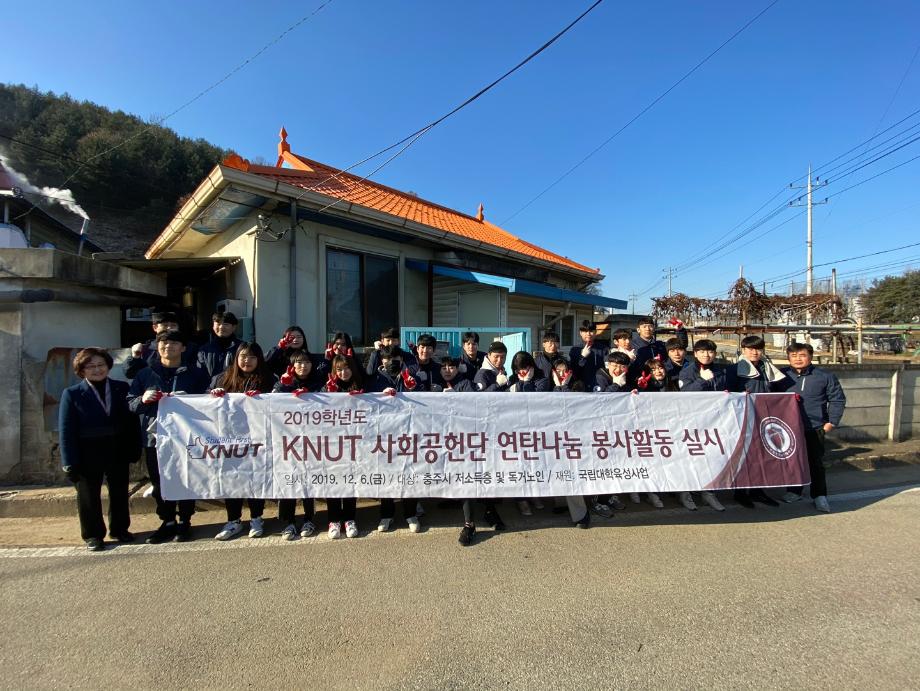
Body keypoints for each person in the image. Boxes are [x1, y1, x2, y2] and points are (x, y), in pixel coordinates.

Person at [128, 331, 210, 543]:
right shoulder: (145, 374)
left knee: (187, 478)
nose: (169, 347)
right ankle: (167, 521)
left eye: (175, 343)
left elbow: (209, 402)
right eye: (164, 343)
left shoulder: (196, 374)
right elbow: (130, 404)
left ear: (183, 348)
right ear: (157, 346)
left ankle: (185, 521)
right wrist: (142, 400)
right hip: (154, 438)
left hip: (186, 438)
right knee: (159, 481)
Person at [59, 348, 141, 551]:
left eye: (101, 365)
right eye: (91, 366)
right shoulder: (72, 394)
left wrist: (134, 448)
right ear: (81, 370)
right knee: (88, 495)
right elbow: (66, 429)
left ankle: (120, 529)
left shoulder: (121, 388)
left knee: (120, 492)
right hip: (87, 451)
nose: (97, 369)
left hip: (117, 448)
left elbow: (132, 422)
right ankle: (93, 535)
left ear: (108, 366)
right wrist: (69, 460)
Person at [209, 342, 277, 540]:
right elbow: (205, 402)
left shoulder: (268, 379)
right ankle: (233, 521)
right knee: (232, 477)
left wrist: (266, 397)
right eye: (243, 357)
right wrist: (213, 395)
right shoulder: (223, 378)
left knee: (255, 477)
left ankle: (257, 518)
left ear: (259, 359)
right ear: (236, 358)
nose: (247, 361)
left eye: (252, 357)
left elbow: (280, 400)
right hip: (229, 438)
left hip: (258, 437)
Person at [780, 342, 847, 513]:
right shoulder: (781, 375)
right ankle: (794, 491)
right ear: (788, 358)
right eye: (793, 355)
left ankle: (819, 495)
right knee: (792, 461)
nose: (797, 359)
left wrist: (831, 422)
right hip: (788, 427)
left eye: (802, 355)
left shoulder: (824, 376)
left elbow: (837, 399)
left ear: (810, 356)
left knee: (815, 462)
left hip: (815, 426)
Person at [728, 335, 788, 509]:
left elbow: (776, 391)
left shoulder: (767, 368)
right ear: (743, 350)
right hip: (743, 418)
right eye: (750, 349)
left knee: (762, 455)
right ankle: (741, 492)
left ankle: (758, 491)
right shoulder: (734, 370)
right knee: (744, 457)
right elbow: (728, 393)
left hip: (764, 417)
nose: (754, 352)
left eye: (758, 349)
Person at [273, 350, 320, 539]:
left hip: (313, 441)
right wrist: (282, 387)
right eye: (299, 363)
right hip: (288, 440)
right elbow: (271, 402)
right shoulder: (283, 382)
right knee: (289, 480)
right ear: (292, 366)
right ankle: (288, 522)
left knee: (308, 480)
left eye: (307, 362)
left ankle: (309, 519)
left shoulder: (318, 382)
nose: (303, 366)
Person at [321, 354, 362, 538]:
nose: (343, 372)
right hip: (332, 444)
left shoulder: (362, 387)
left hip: (355, 444)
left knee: (351, 482)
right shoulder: (328, 387)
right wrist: (329, 393)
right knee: (333, 482)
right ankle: (334, 520)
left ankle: (349, 519)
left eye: (346, 368)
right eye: (339, 369)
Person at [590, 351, 632, 515]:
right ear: (608, 364)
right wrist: (616, 384)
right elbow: (600, 400)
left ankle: (610, 496)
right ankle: (597, 500)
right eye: (614, 365)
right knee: (603, 464)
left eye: (622, 366)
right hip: (601, 428)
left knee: (618, 463)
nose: (617, 369)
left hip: (619, 426)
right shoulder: (600, 376)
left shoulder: (626, 377)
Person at [125, 311, 180, 379]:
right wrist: (134, 358)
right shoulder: (144, 349)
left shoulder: (189, 347)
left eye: (173, 325)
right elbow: (130, 374)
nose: (169, 328)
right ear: (155, 327)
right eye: (165, 325)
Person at [196, 312, 243, 380]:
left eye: (225, 324)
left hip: (235, 389)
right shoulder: (204, 350)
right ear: (213, 326)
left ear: (234, 327)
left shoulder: (242, 348)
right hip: (211, 389)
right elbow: (200, 374)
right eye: (218, 323)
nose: (221, 327)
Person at [570, 320, 607, 391]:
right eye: (585, 331)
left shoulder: (603, 349)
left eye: (591, 331)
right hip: (581, 387)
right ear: (580, 333)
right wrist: (582, 357)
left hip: (599, 386)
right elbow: (573, 371)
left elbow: (607, 369)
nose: (588, 334)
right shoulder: (575, 349)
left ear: (595, 332)